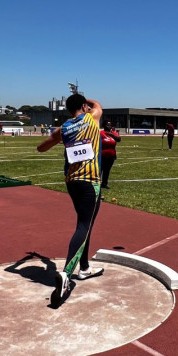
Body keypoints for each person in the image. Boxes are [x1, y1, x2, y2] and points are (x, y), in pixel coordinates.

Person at [37, 94, 105, 307]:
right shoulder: (91, 118)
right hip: (90, 181)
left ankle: (84, 268)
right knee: (84, 225)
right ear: (84, 107)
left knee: (86, 223)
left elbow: (42, 147)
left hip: (72, 182)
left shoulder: (63, 128)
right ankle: (67, 274)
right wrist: (86, 99)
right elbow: (98, 106)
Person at [100, 121, 121, 189]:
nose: (109, 126)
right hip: (102, 155)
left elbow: (119, 139)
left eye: (110, 125)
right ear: (104, 126)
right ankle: (96, 183)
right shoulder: (101, 133)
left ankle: (104, 184)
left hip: (111, 155)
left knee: (107, 170)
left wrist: (111, 134)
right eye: (107, 125)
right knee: (100, 170)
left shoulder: (113, 133)